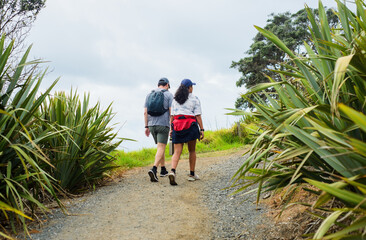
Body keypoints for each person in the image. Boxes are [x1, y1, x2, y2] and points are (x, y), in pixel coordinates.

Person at [168, 79, 204, 186]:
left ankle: (172, 171)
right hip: (190, 125)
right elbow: (198, 116)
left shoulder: (175, 100)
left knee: (177, 151)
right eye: (192, 86)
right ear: (189, 88)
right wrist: (202, 129)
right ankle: (192, 174)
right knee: (191, 150)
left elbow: (172, 116)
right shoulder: (195, 99)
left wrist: (171, 129)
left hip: (177, 125)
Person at [144, 78, 174, 182]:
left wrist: (146, 126)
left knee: (160, 147)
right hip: (163, 124)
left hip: (151, 125)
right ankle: (154, 169)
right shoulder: (169, 95)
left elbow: (145, 112)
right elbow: (171, 112)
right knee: (161, 147)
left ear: (158, 85)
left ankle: (163, 169)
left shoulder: (149, 94)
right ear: (167, 85)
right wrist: (172, 126)